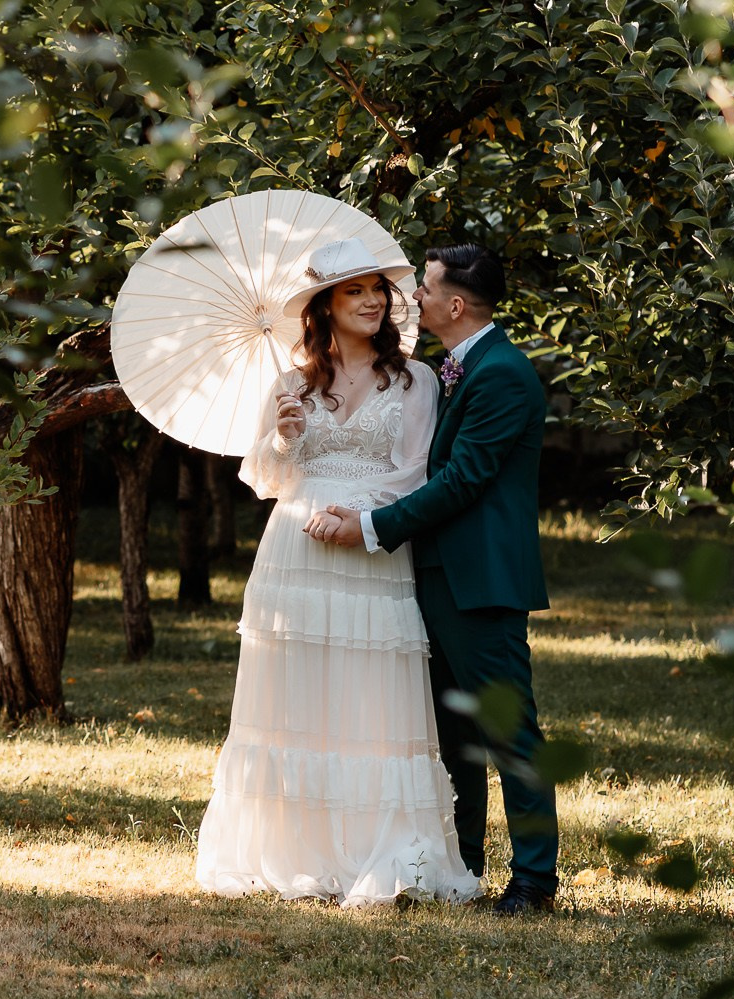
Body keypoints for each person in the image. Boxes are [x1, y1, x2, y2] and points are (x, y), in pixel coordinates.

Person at [193, 238, 479, 907]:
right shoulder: (289, 384)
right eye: (355, 291)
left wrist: (360, 515)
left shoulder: (415, 380)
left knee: (372, 693)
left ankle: (379, 845)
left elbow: (417, 472)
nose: (373, 300)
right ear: (325, 305)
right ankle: (299, 848)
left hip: (372, 549)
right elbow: (264, 480)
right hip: (293, 551)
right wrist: (283, 438)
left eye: (378, 288)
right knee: (298, 693)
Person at [308, 244, 556, 915]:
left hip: (482, 580)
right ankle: (464, 864)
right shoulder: (459, 367)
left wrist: (371, 525)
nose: (412, 297)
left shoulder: (502, 374)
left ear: (455, 304)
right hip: (439, 574)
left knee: (509, 731)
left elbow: (462, 480)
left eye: (425, 288)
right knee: (454, 734)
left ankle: (535, 880)